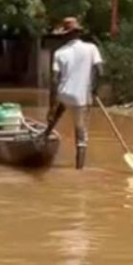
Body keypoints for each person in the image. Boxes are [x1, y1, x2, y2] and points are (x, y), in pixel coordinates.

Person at [38, 17, 103, 170]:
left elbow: (54, 80)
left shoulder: (60, 52)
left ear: (65, 35)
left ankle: (43, 137)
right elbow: (100, 71)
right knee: (81, 136)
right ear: (78, 33)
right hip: (81, 98)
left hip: (63, 94)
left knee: (55, 115)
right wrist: (94, 88)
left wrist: (51, 106)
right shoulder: (91, 48)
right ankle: (79, 169)